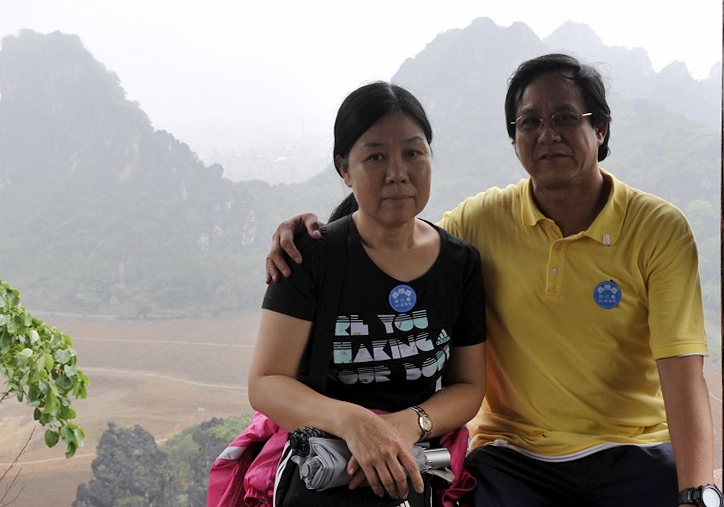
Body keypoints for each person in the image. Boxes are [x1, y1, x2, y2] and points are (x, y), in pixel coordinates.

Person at [265, 55, 720, 507]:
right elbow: (395, 233)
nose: (547, 135)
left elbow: (683, 377)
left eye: (565, 118)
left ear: (600, 129)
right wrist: (314, 234)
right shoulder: (481, 222)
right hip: (514, 457)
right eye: (530, 122)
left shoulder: (657, 229)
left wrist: (697, 494)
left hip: (634, 449)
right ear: (514, 139)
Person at [248, 81, 487, 504]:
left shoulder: (460, 263)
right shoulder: (309, 255)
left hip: (414, 456)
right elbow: (267, 381)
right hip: (324, 458)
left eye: (413, 153)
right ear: (345, 169)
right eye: (375, 157)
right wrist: (355, 423)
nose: (397, 173)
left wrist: (405, 426)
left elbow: (468, 384)